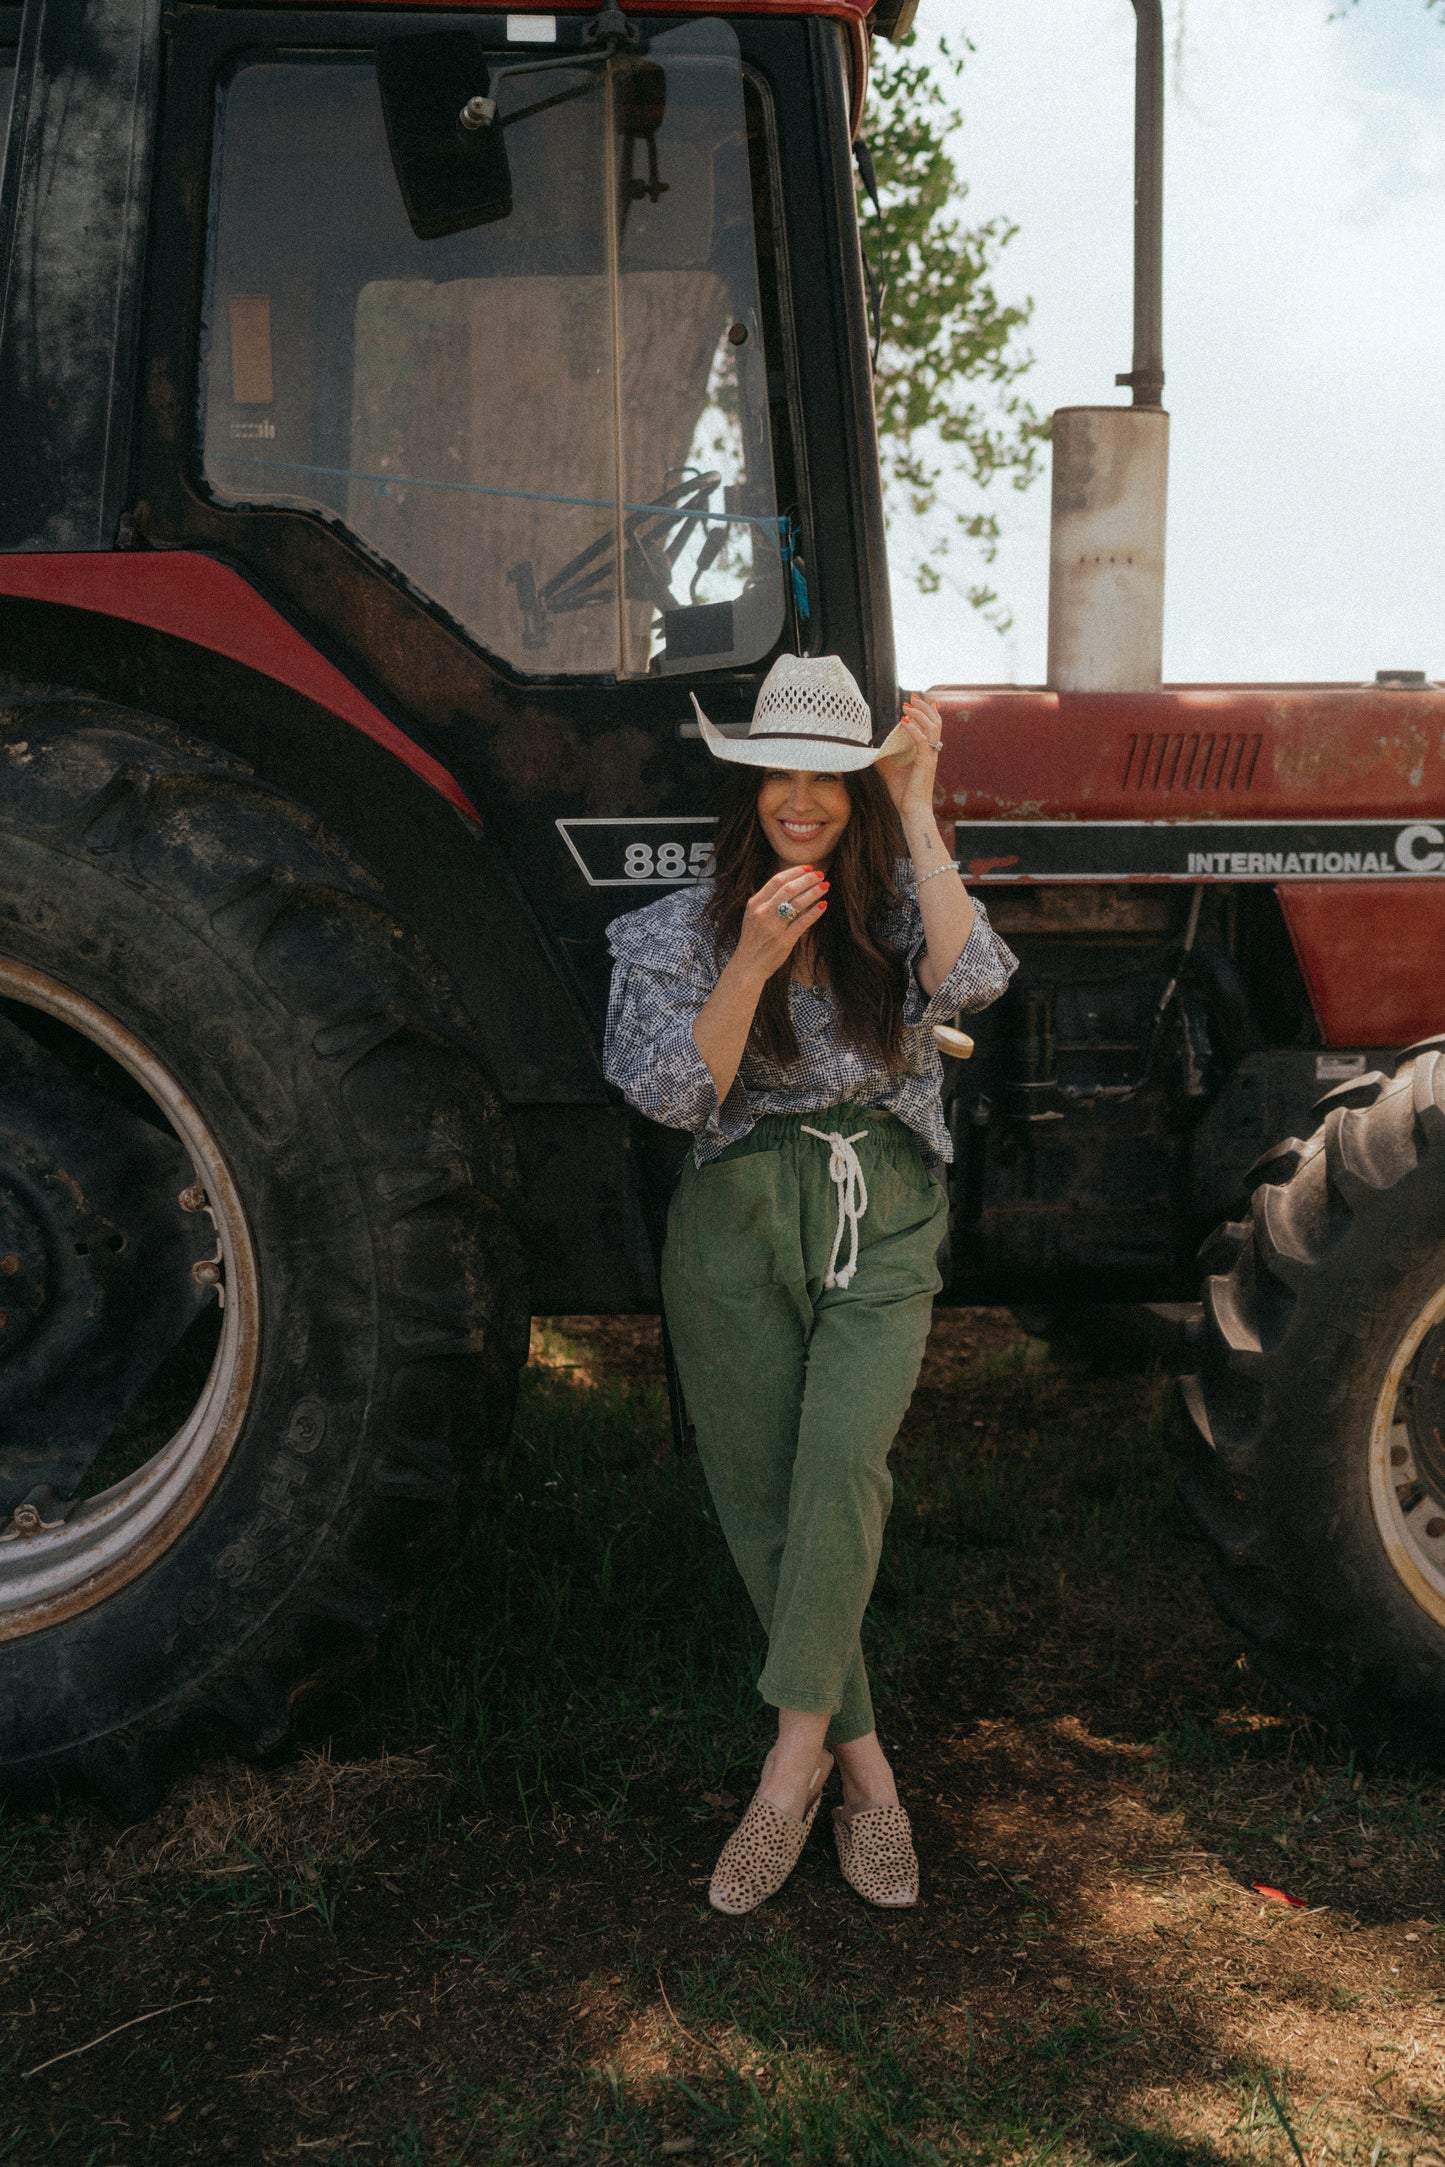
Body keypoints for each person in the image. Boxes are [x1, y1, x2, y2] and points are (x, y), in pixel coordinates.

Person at [603, 653, 1017, 1914]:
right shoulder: (670, 933)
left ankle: (793, 1771)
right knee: (766, 1506)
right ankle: (870, 1772)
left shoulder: (892, 906)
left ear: (852, 788)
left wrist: (916, 801)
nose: (803, 796)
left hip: (878, 1206)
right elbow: (672, 1094)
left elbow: (979, 981)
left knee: (843, 1461)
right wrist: (746, 964)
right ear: (747, 786)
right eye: (782, 772)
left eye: (830, 777)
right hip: (731, 1218)